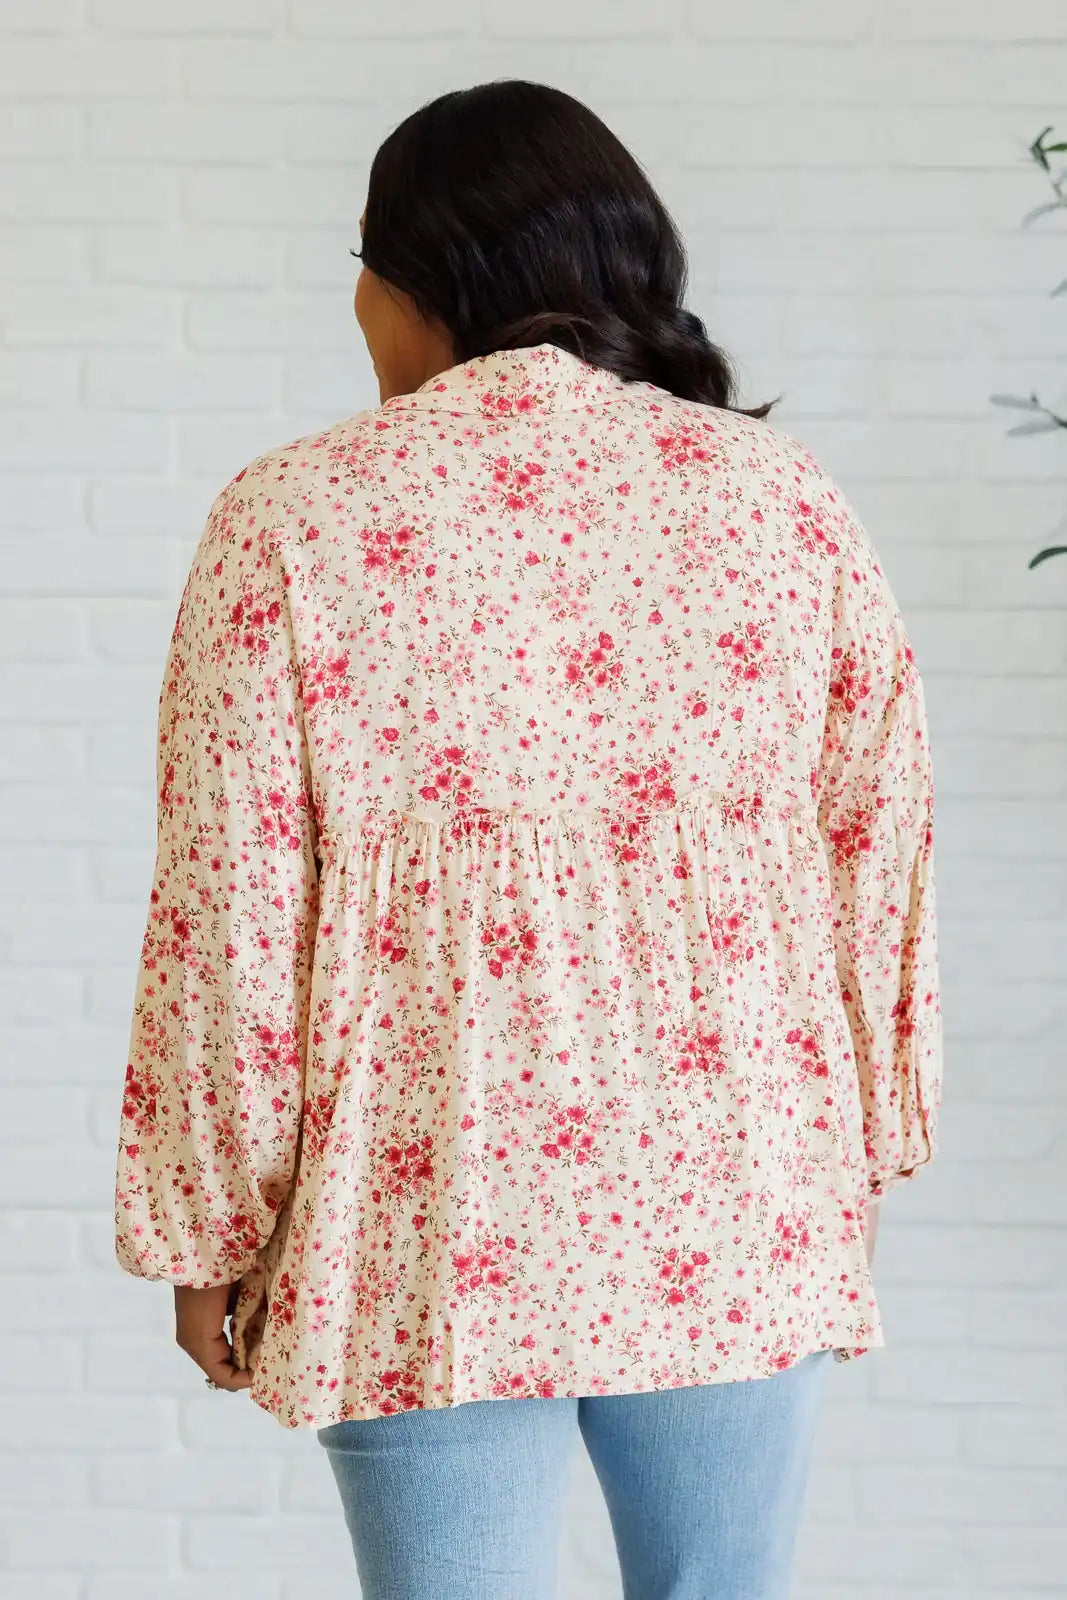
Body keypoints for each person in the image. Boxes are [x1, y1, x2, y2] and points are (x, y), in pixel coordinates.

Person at [113, 79, 941, 1600]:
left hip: (429, 1204)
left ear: (426, 279)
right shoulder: (784, 502)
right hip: (743, 1185)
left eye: (364, 267)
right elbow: (874, 853)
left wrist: (211, 1223)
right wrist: (859, 1154)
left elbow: (229, 914)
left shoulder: (292, 520)